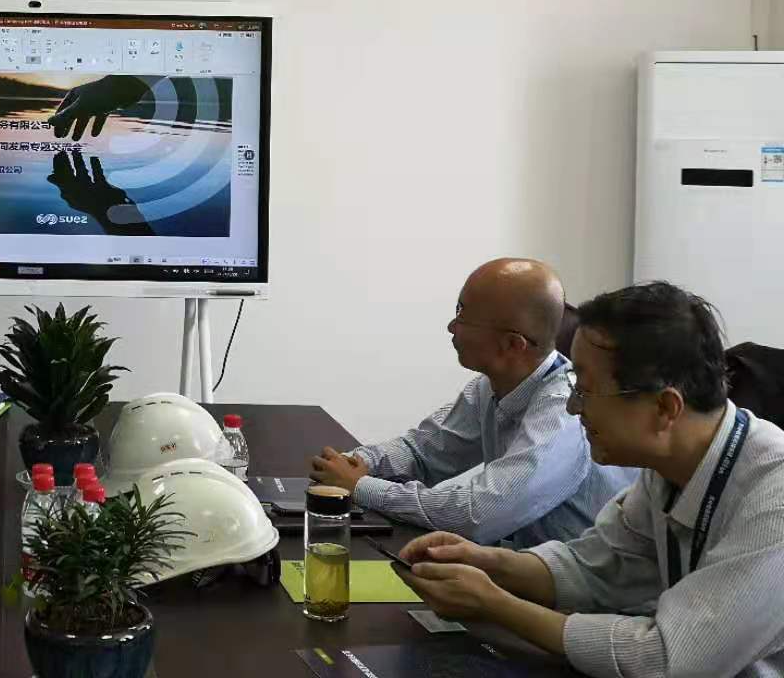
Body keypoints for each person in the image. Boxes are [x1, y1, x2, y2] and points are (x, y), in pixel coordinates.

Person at [398, 281, 784, 678]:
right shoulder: (668, 468)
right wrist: (486, 562)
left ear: (665, 408)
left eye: (586, 391)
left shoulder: (774, 498)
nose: (572, 407)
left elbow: (663, 660)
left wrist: (494, 604)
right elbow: (594, 568)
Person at [310, 258, 636, 547]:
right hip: (523, 566)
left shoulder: (563, 412)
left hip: (576, 587)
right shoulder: (489, 386)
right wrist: (355, 462)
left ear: (513, 345)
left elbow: (477, 515)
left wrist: (361, 487)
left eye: (462, 315)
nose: (451, 326)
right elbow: (423, 451)